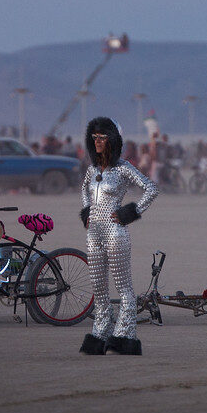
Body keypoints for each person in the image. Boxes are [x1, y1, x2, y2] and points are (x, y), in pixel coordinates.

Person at [79, 116, 158, 356]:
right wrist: (87, 212)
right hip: (94, 235)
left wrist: (130, 211)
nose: (98, 142)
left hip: (116, 234)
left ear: (112, 140)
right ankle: (100, 333)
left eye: (102, 137)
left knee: (124, 288)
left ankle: (125, 336)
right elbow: (84, 190)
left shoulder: (124, 169)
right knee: (99, 288)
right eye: (94, 137)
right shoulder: (92, 171)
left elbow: (151, 188)